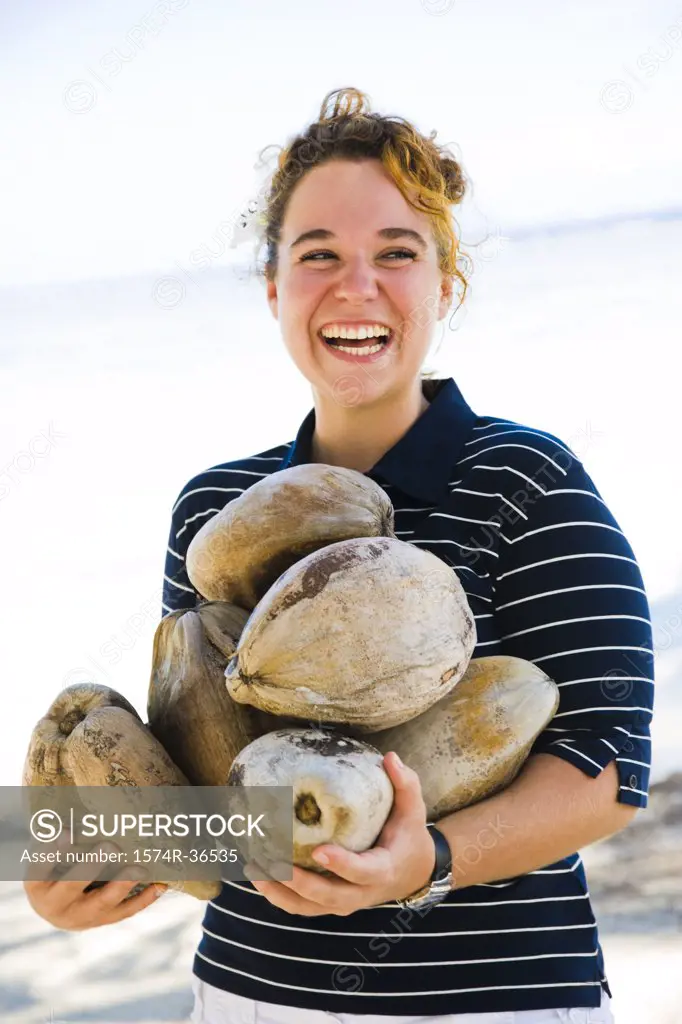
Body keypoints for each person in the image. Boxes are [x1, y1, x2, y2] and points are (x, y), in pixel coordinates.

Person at [25, 87, 654, 1024]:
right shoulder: (213, 512)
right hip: (249, 994)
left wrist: (426, 863)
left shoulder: (528, 477)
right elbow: (206, 779)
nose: (356, 286)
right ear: (275, 288)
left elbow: (606, 766)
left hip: (487, 1001)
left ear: (446, 286)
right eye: (318, 256)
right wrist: (54, 872)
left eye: (396, 254)